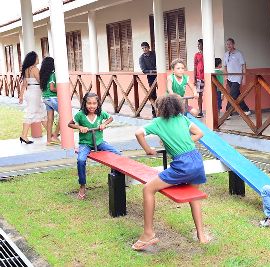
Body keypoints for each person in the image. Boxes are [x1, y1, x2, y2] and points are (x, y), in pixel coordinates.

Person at [133, 94, 208, 251]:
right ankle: (201, 236)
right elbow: (200, 133)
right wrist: (185, 142)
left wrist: (148, 150)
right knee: (194, 196)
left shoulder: (158, 122)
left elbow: (138, 133)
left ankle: (148, 233)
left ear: (160, 109)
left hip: (182, 165)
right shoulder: (182, 118)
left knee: (148, 189)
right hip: (197, 161)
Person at [68, 92, 121, 200]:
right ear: (85, 104)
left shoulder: (101, 113)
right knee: (81, 160)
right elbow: (70, 124)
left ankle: (114, 178)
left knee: (118, 153)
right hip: (85, 143)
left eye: (94, 103)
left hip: (99, 142)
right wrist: (80, 127)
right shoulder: (80, 114)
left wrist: (104, 124)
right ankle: (82, 185)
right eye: (89, 103)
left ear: (98, 104)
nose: (91, 106)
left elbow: (110, 118)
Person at [18, 51, 47, 144]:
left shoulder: (26, 69)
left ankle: (51, 133)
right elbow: (40, 80)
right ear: (33, 59)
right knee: (31, 113)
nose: (38, 59)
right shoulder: (34, 69)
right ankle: (24, 135)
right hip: (35, 92)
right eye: (37, 58)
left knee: (41, 113)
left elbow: (24, 84)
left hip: (30, 92)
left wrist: (21, 96)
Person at [224, 38, 251, 117]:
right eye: (227, 44)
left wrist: (244, 78)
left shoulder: (238, 53)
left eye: (230, 44)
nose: (228, 45)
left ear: (233, 44)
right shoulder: (226, 54)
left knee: (232, 95)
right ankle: (246, 110)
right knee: (237, 95)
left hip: (237, 78)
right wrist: (225, 77)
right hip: (229, 78)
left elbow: (243, 65)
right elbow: (225, 66)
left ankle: (227, 113)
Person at [40, 57, 61, 146]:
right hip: (53, 98)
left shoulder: (42, 75)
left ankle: (49, 140)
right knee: (64, 115)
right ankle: (55, 136)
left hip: (45, 98)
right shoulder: (52, 74)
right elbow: (52, 88)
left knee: (50, 119)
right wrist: (61, 90)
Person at [139, 42, 158, 118]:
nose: (144, 49)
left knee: (163, 92)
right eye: (143, 48)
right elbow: (144, 70)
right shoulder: (141, 58)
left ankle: (164, 110)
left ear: (149, 47)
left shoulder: (154, 54)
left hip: (159, 75)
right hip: (151, 77)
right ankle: (154, 112)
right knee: (153, 94)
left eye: (145, 47)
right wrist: (153, 71)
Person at [193, 39, 204, 118]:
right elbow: (194, 66)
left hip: (206, 77)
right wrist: (194, 78)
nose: (198, 46)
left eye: (199, 44)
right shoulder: (197, 55)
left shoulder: (207, 53)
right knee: (199, 94)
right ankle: (200, 111)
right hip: (199, 77)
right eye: (198, 44)